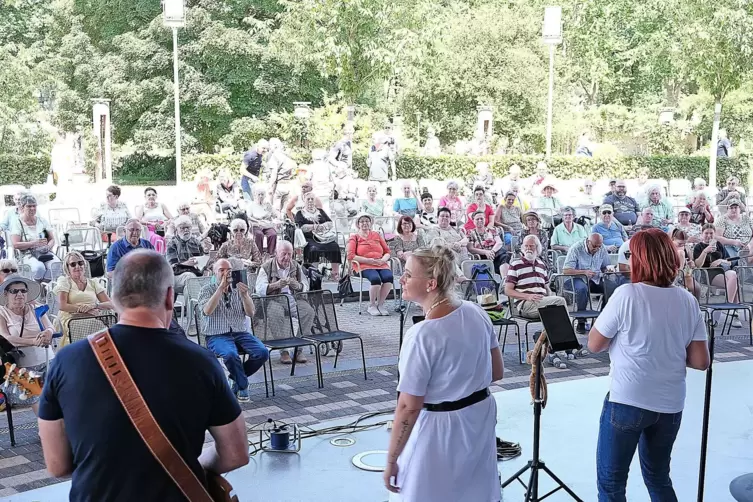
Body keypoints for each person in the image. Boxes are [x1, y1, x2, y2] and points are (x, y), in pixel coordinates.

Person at [38, 250, 249, 499]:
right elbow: (235, 453)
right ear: (170, 297)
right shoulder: (201, 361)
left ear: (114, 299)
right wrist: (195, 467)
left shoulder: (66, 360)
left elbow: (57, 466)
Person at [588, 229, 709, 501]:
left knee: (611, 483)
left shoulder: (626, 295)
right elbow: (701, 361)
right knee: (658, 477)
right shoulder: (687, 300)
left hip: (628, 400)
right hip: (670, 404)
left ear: (641, 259)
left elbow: (594, 344)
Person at [384, 245, 503, 501]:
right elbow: (496, 371)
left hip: (439, 431)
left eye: (407, 274)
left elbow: (408, 406)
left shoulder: (422, 335)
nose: (401, 279)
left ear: (430, 284)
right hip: (478, 417)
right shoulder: (477, 312)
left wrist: (392, 459)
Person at [199, 259, 268, 402]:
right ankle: (242, 385)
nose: (226, 273)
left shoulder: (238, 288)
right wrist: (220, 289)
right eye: (221, 270)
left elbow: (250, 313)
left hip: (239, 331)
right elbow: (207, 311)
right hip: (216, 334)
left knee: (262, 352)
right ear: (214, 272)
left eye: (228, 270)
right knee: (230, 354)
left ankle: (235, 379)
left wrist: (245, 295)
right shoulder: (206, 289)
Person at [505, 235, 571, 367]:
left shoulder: (541, 264)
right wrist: (527, 296)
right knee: (560, 302)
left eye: (532, 246)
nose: (529, 248)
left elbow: (547, 289)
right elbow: (508, 291)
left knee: (555, 310)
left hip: (542, 301)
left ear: (537, 248)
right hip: (526, 304)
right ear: (522, 248)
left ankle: (550, 349)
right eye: (526, 246)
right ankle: (568, 344)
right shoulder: (516, 264)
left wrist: (550, 297)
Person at [0, 275, 54, 413]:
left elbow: (50, 327)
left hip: (48, 359)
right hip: (24, 366)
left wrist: (48, 333)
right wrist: (33, 341)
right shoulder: (2, 312)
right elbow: (7, 337)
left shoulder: (35, 306)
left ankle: (54, 431)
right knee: (39, 402)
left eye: (23, 291)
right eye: (14, 291)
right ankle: (47, 432)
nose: (20, 294)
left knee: (55, 398)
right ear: (6, 294)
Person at [255, 241, 313, 364]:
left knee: (308, 312)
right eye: (283, 254)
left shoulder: (296, 266)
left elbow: (305, 286)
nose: (287, 258)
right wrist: (276, 285)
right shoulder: (266, 267)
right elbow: (259, 289)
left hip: (293, 298)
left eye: (289, 254)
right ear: (276, 253)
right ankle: (284, 350)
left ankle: (298, 348)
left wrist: (297, 285)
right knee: (275, 314)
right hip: (274, 299)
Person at [54, 251, 114, 347]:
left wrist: (94, 305)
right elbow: (62, 305)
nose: (77, 266)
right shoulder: (65, 281)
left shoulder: (93, 282)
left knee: (108, 318)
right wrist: (86, 311)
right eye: (73, 264)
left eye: (80, 263)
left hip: (92, 316)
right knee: (97, 326)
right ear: (67, 268)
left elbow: (110, 304)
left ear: (84, 264)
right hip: (71, 318)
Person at [694, 223, 742, 327]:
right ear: (702, 234)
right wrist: (705, 252)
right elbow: (698, 265)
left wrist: (720, 260)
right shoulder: (699, 247)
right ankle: (733, 311)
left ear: (714, 234)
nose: (709, 236)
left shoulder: (719, 245)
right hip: (708, 274)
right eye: (706, 233)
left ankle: (727, 306)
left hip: (722, 271)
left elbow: (729, 261)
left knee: (734, 275)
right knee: (735, 282)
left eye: (711, 233)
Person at [346, 213, 393, 316]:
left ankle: (380, 304)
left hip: (380, 263)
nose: (364, 223)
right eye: (362, 221)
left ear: (371, 223)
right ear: (358, 224)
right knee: (375, 279)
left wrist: (383, 260)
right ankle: (371, 305)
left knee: (389, 277)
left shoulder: (376, 235)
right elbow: (351, 255)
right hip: (363, 265)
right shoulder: (354, 237)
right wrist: (368, 260)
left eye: (367, 221)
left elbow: (387, 251)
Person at [563, 233, 610, 333]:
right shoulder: (576, 248)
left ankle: (602, 319)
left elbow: (604, 267)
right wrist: (584, 272)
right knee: (582, 288)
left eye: (599, 246)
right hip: (574, 279)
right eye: (594, 246)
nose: (597, 249)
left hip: (594, 280)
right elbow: (566, 270)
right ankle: (581, 322)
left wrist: (608, 271)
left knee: (610, 287)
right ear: (588, 242)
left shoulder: (602, 248)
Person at [9, 194, 61, 281]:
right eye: (29, 206)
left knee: (56, 265)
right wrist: (34, 243)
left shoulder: (42, 221)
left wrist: (48, 247)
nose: (32, 208)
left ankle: (46, 287)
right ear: (22, 208)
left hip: (44, 252)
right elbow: (15, 244)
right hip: (27, 254)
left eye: (34, 206)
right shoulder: (17, 223)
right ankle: (36, 290)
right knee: (39, 268)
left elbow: (52, 239)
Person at [294, 192, 341, 280]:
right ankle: (314, 273)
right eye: (308, 199)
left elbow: (330, 222)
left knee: (335, 246)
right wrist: (313, 227)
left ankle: (335, 273)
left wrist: (323, 226)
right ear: (304, 200)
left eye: (312, 199)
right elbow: (299, 227)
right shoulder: (300, 213)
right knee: (314, 249)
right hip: (309, 238)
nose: (310, 201)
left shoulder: (320, 211)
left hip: (324, 237)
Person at [166, 215, 211, 294]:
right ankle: (196, 305)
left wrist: (206, 252)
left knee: (212, 275)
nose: (186, 230)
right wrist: (186, 264)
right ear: (177, 230)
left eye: (188, 227)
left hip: (196, 274)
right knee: (190, 277)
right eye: (182, 228)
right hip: (177, 276)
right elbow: (171, 266)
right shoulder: (172, 243)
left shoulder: (196, 242)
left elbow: (202, 262)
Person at [244, 187, 278, 256]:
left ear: (265, 196)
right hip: (256, 225)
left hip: (267, 225)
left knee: (273, 234)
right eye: (259, 194)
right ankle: (258, 254)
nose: (260, 196)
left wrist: (270, 210)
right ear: (255, 195)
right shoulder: (251, 205)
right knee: (259, 235)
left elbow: (274, 215)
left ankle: (271, 254)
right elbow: (248, 217)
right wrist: (257, 221)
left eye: (262, 194)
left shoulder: (267, 205)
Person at [670, 229, 701, 299]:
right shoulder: (668, 248)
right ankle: (678, 275)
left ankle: (696, 305)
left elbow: (691, 262)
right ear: (673, 239)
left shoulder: (686, 248)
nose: (682, 246)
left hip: (686, 273)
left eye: (684, 244)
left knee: (697, 288)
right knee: (681, 253)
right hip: (671, 272)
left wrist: (691, 264)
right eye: (679, 244)